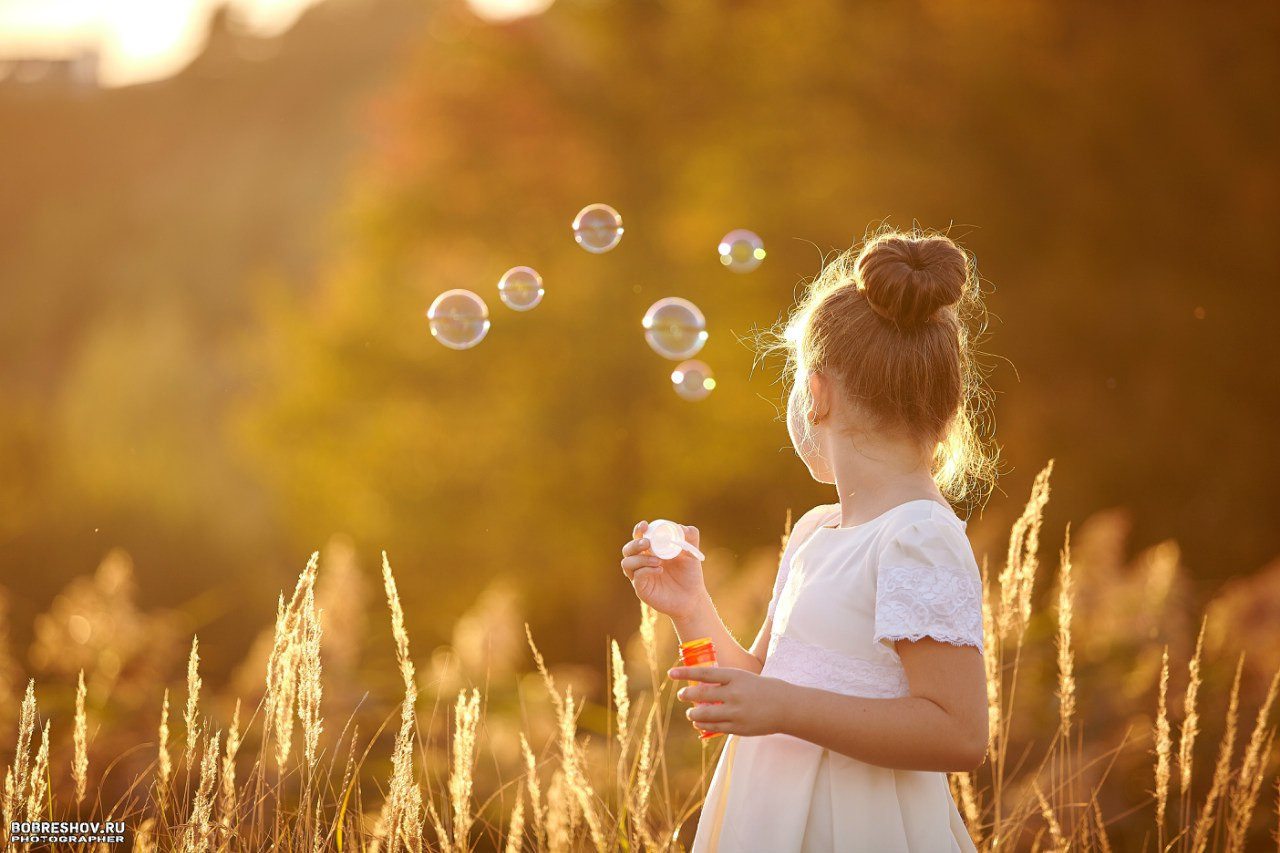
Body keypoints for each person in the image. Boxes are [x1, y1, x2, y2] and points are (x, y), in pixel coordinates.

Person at [619, 227, 999, 852]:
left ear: (816, 395)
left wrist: (784, 709)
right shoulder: (817, 531)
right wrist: (691, 605)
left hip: (856, 830)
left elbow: (959, 734)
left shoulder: (918, 536)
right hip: (771, 821)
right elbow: (760, 682)